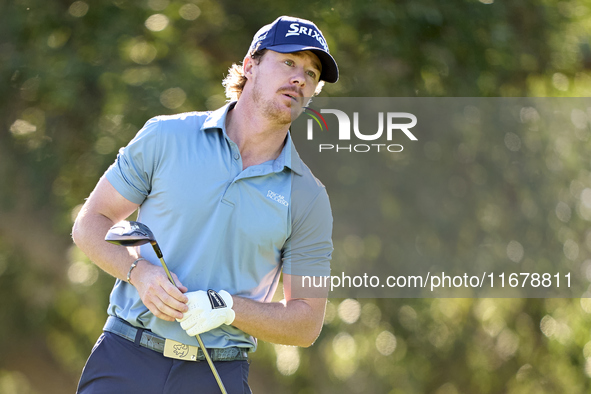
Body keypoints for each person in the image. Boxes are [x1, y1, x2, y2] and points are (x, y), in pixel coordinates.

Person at [72, 15, 338, 393]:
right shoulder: (167, 136)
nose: (300, 78)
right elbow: (90, 223)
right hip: (125, 358)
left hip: (215, 376)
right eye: (289, 63)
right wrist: (140, 274)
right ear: (251, 65)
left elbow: (307, 321)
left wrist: (227, 306)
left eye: (312, 74)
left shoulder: (308, 197)